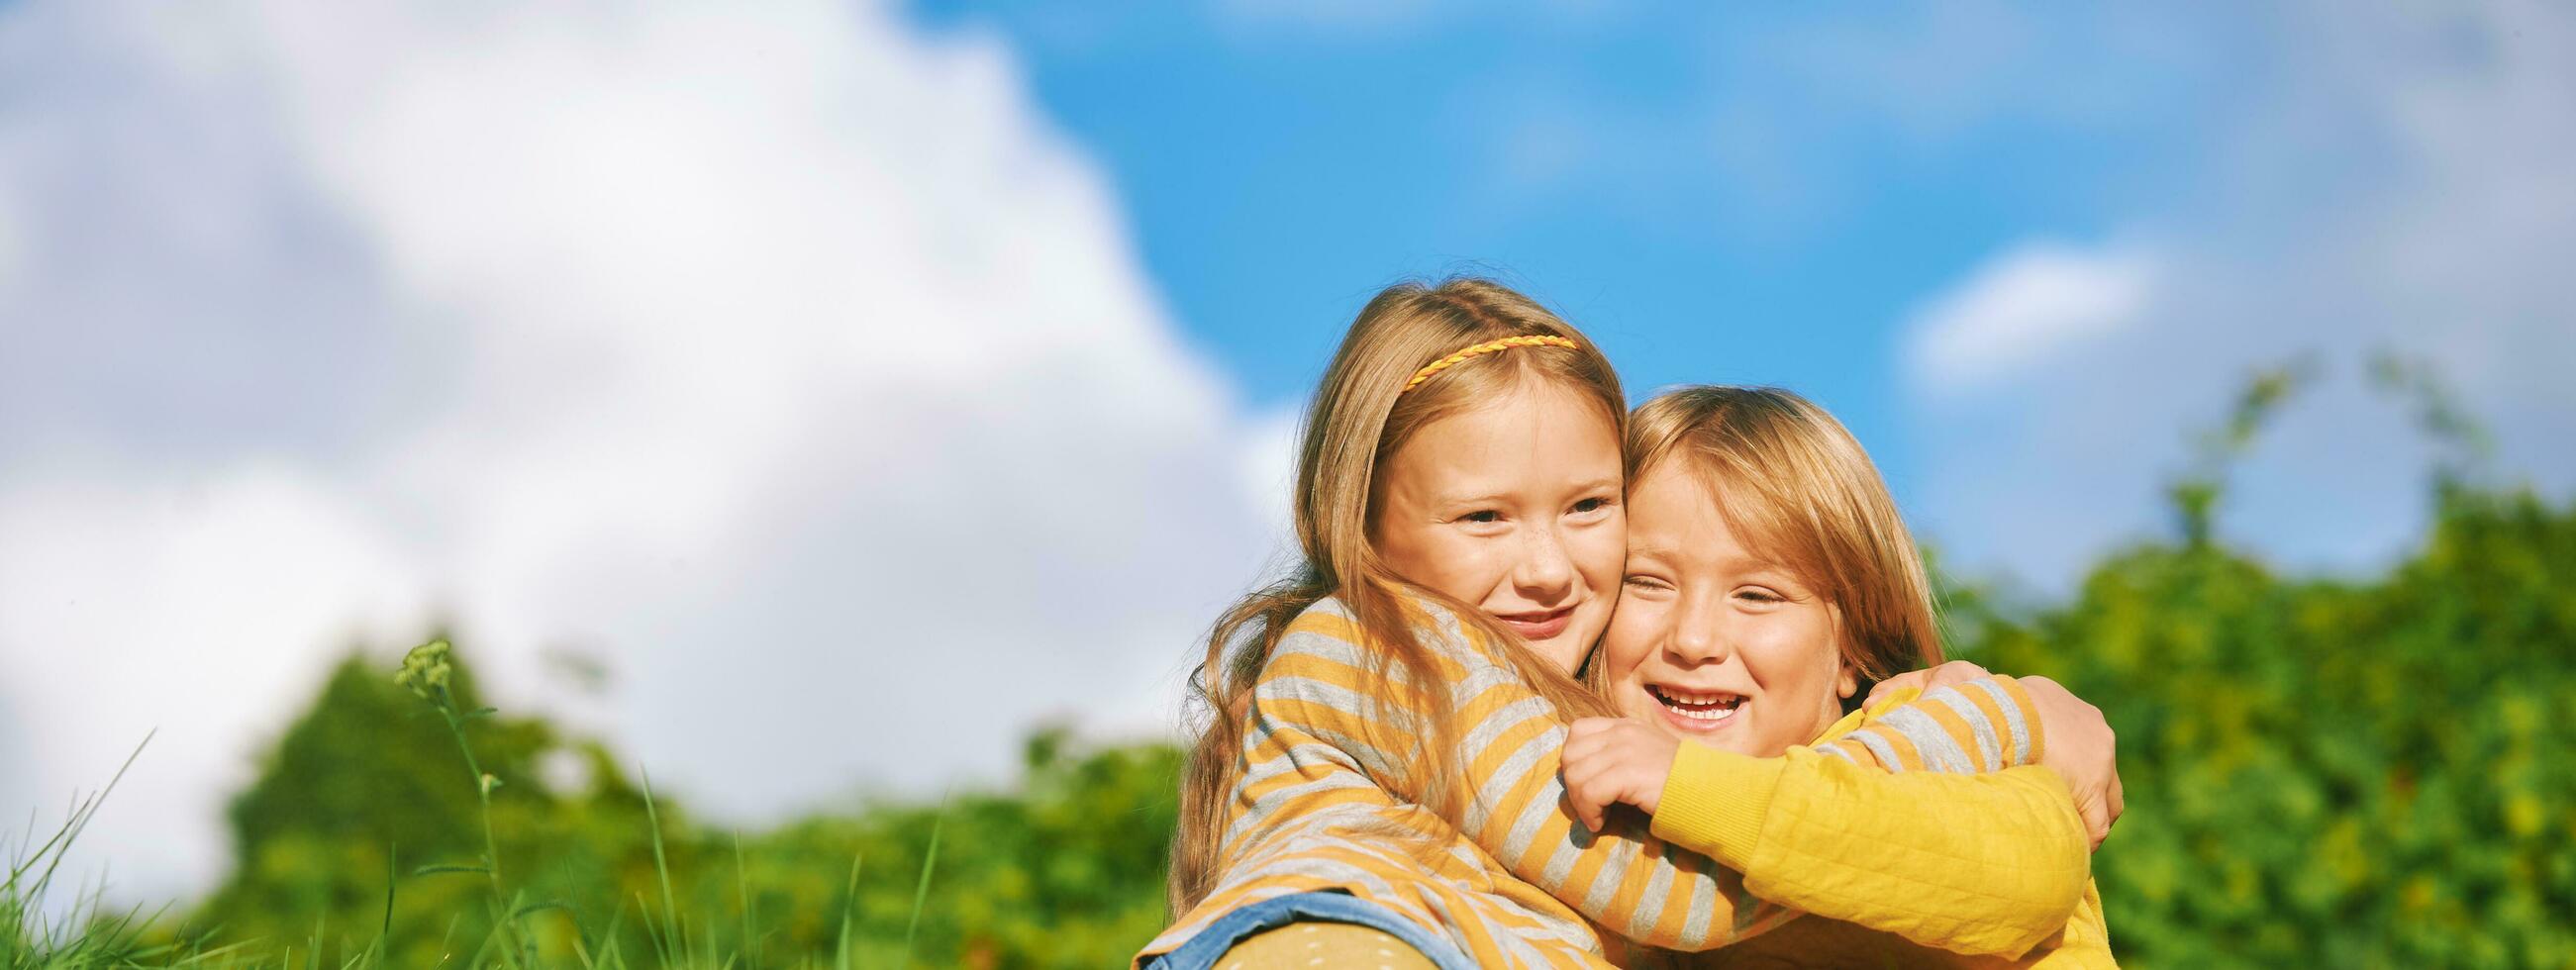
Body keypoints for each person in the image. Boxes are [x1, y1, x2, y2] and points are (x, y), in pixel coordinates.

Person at [1139, 279, 2117, 968]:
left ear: (1857, 632)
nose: (1548, 567)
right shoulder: (1389, 653)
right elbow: (1688, 893)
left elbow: (2021, 874)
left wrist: (1999, 715)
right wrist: (2006, 713)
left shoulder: (1930, 754)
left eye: (1586, 508)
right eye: (1649, 583)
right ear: (1362, 525)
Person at [1559, 385, 2117, 965]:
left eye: (1757, 595)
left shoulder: (1933, 732)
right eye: (1646, 582)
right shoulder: (1602, 815)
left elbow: (2030, 879)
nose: (1693, 639)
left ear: (1853, 647)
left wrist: (1689, 786)